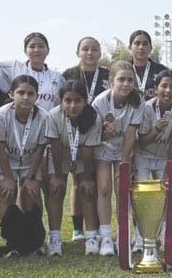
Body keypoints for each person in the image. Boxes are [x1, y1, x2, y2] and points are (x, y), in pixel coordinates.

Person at [91, 61, 143, 256]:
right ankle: (105, 237)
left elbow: (131, 135)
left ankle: (123, 235)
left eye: (130, 80)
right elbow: (96, 136)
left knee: (123, 189)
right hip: (104, 148)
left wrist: (124, 163)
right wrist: (105, 134)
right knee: (104, 187)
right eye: (121, 79)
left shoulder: (138, 102)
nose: (126, 84)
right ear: (111, 82)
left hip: (124, 149)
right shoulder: (100, 102)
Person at [0, 75, 49, 246]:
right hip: (7, 160)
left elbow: (40, 149)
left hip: (31, 160)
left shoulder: (43, 117)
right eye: (20, 92)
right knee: (7, 193)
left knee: (32, 193)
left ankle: (35, 238)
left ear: (37, 97)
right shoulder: (1, 115)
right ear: (11, 94)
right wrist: (8, 179)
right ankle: (11, 238)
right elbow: (0, 149)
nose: (25, 97)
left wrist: (30, 179)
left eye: (30, 94)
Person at [133, 70, 172, 251]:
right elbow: (141, 142)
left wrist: (168, 169)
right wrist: (155, 130)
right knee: (141, 196)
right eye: (164, 86)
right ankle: (140, 238)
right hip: (143, 155)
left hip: (164, 157)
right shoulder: (147, 108)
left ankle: (167, 236)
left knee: (166, 194)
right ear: (156, 89)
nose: (168, 90)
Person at [46, 80, 102, 255]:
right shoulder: (53, 115)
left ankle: (91, 237)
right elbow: (54, 146)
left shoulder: (94, 117)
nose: (72, 105)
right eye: (68, 100)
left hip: (81, 154)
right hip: (60, 153)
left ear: (85, 101)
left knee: (86, 189)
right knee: (57, 189)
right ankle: (55, 239)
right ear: (61, 101)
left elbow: (87, 150)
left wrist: (86, 177)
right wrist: (57, 175)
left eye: (78, 100)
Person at [61, 36, 109, 242]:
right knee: (78, 181)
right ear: (78, 52)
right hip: (74, 134)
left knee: (97, 183)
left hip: (101, 135)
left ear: (100, 53)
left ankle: (96, 227)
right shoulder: (68, 74)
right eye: (85, 49)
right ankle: (78, 229)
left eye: (95, 49)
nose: (90, 53)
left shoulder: (108, 74)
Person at [128, 30, 167, 100]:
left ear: (150, 48)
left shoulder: (161, 70)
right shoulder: (123, 70)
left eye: (145, 44)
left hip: (154, 110)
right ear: (130, 48)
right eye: (137, 43)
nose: (141, 47)